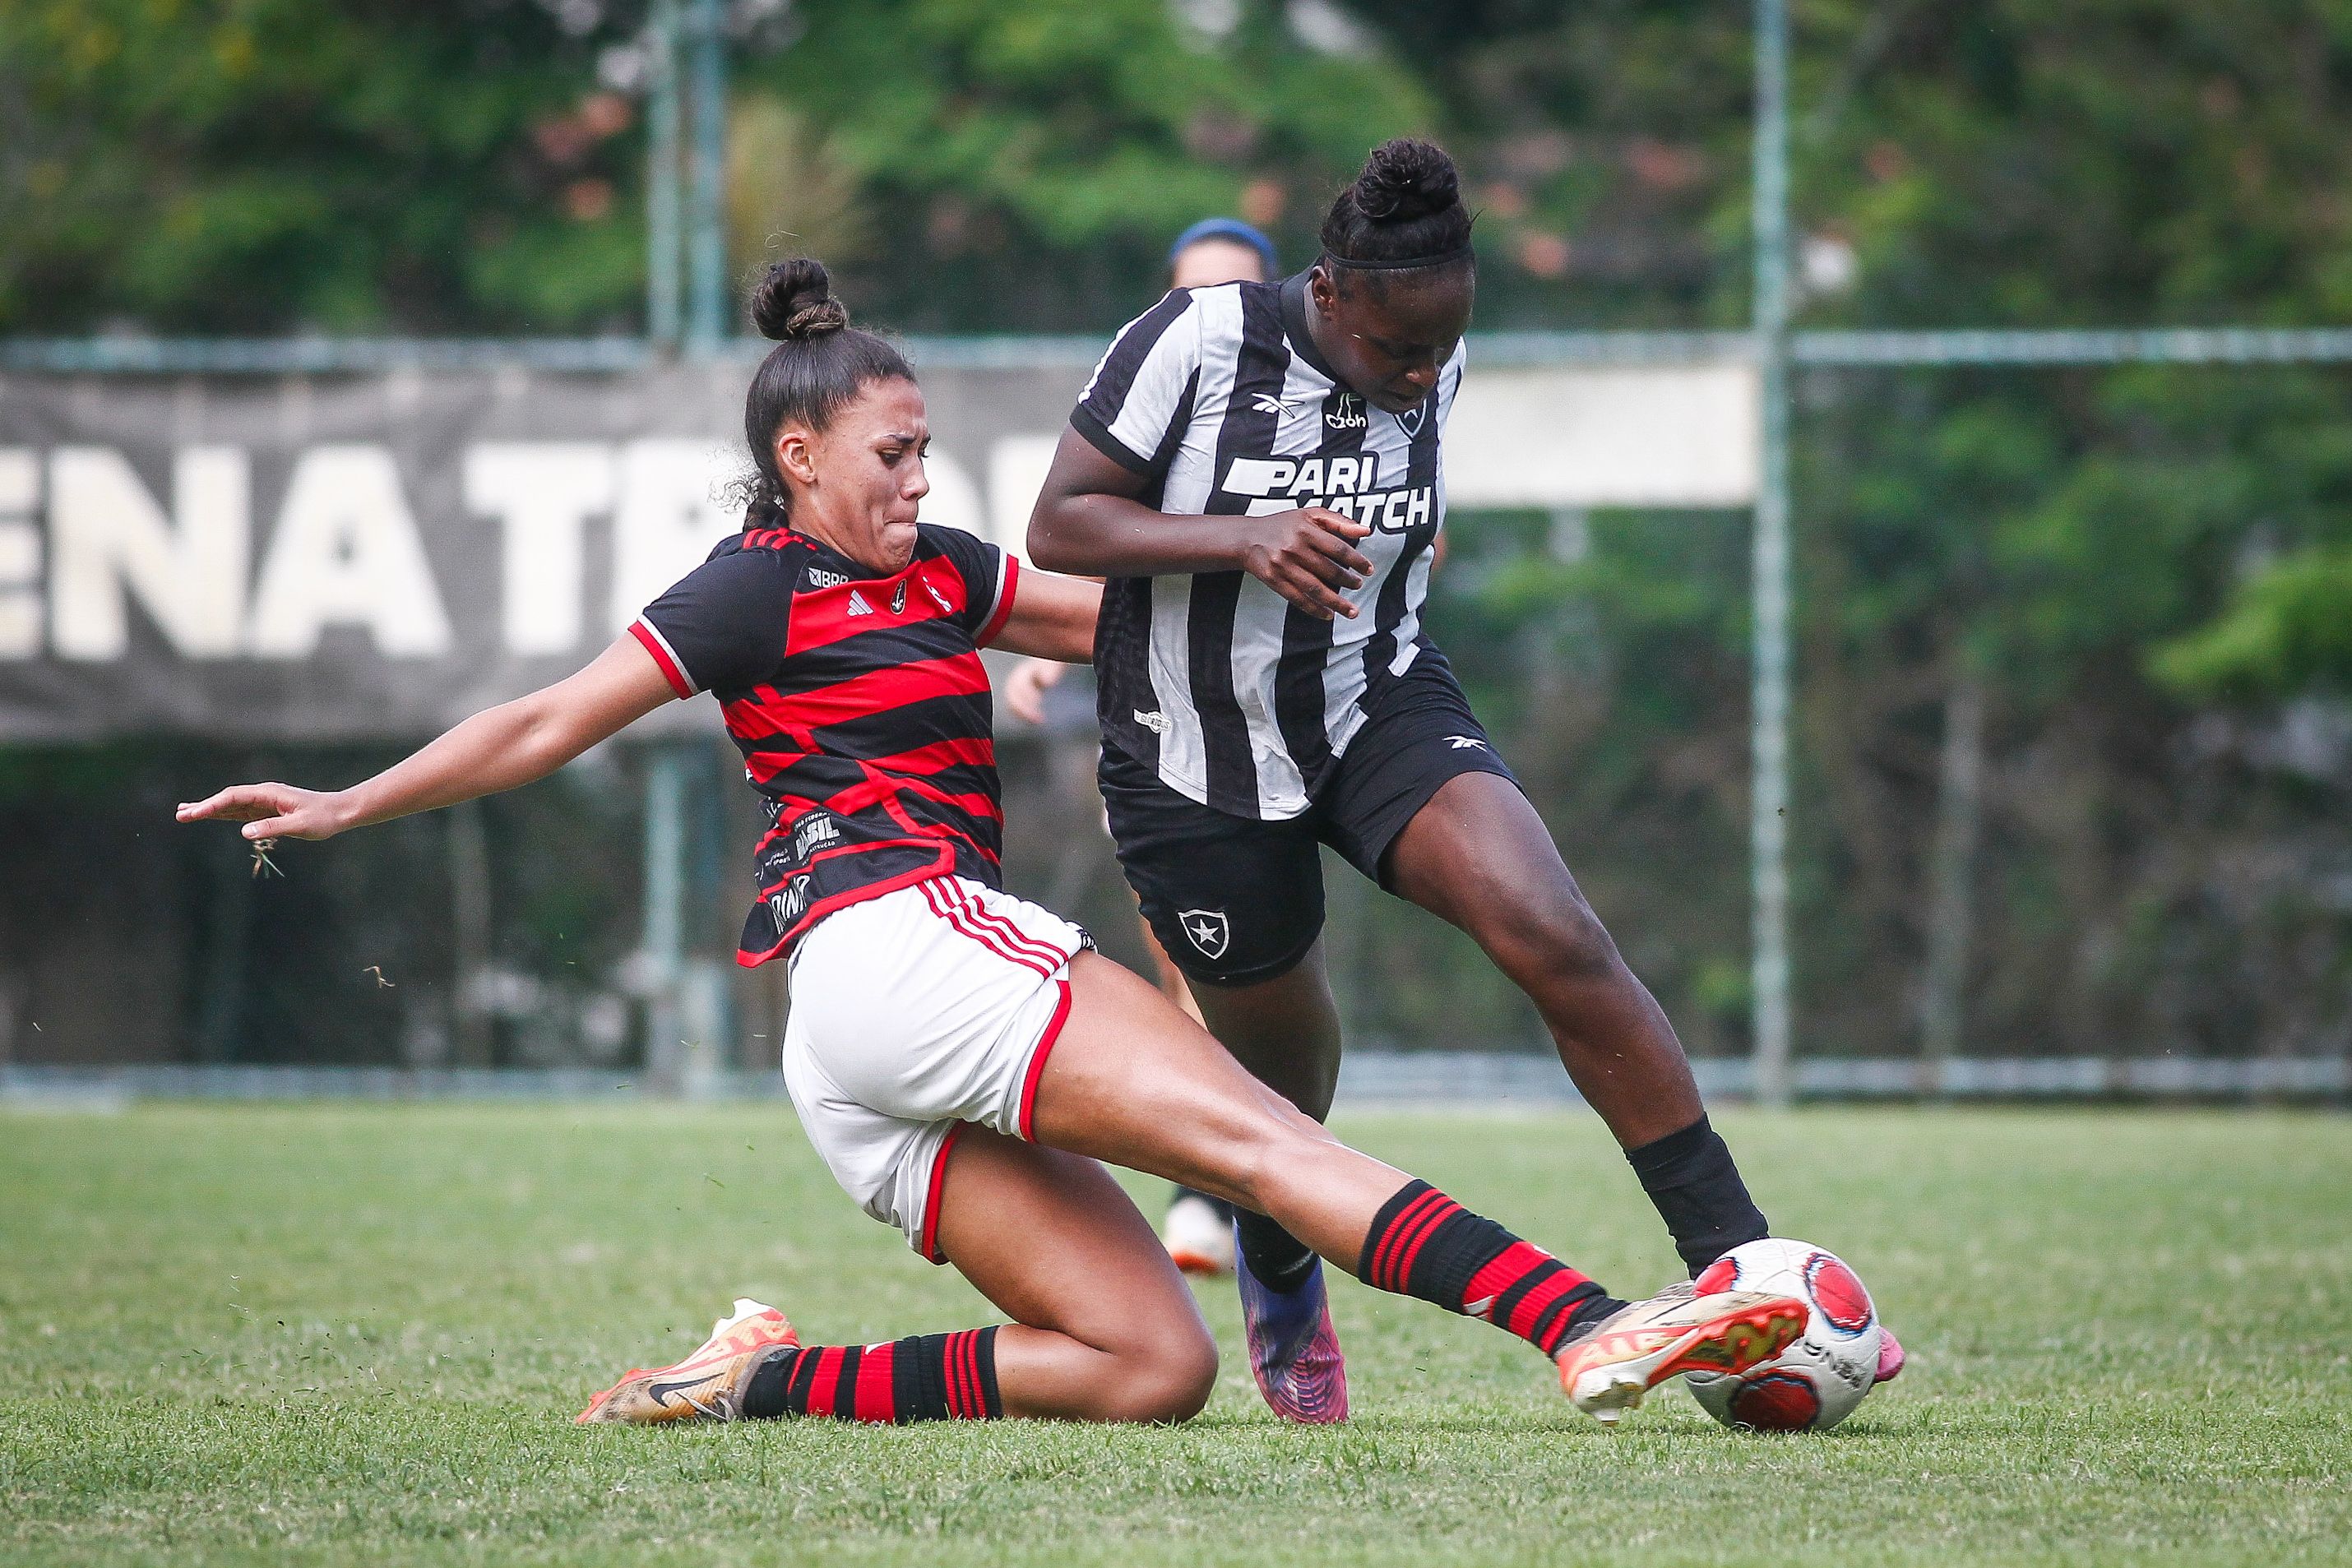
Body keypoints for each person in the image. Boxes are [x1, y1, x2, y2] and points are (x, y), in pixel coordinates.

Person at [176, 257, 1807, 1431]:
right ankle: (1588, 1323)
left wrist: (1337, 574)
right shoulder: (757, 586)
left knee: (1144, 1368)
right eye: (891, 456)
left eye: (925, 456)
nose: (917, 479)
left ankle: (759, 1378)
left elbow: (1125, 611)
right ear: (797, 460)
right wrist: (348, 801)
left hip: (851, 1049)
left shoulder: (939, 570)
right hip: (904, 940)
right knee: (1257, 1139)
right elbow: (549, 719)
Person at [1028, 138, 1907, 1424]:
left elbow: (1398, 489)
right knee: (1283, 1070)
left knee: (1553, 928)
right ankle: (1280, 1269)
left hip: (1373, 701)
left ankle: (1742, 1269)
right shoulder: (1192, 343)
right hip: (1191, 753)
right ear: (1330, 293)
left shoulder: (1423, 338)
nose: (1423, 374)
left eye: (1444, 350)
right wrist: (1244, 533)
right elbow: (1061, 523)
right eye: (1397, 352)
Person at [1001, 216, 1285, 1279]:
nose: (1213, 313)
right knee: (1190, 962)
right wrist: (1061, 650)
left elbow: (1417, 532)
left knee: (1269, 978)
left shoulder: (1321, 412)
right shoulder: (1149, 408)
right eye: (1190, 293)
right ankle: (1209, 1196)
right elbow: (1098, 548)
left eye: (1235, 291)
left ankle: (1260, 1187)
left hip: (1297, 725)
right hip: (1168, 714)